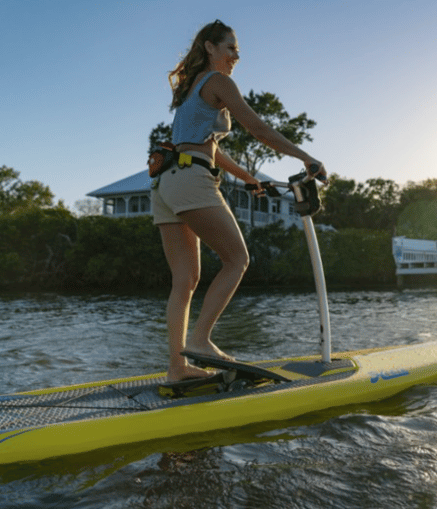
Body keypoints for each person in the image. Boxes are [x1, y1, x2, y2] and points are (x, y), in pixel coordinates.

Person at [151, 20, 326, 382]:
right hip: (191, 180)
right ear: (210, 47)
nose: (235, 56)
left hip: (166, 183)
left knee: (184, 280)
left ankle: (177, 368)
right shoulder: (218, 81)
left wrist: (247, 177)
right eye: (230, 48)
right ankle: (200, 341)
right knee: (237, 259)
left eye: (238, 51)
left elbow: (208, 148)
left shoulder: (190, 89)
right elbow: (257, 128)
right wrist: (305, 157)